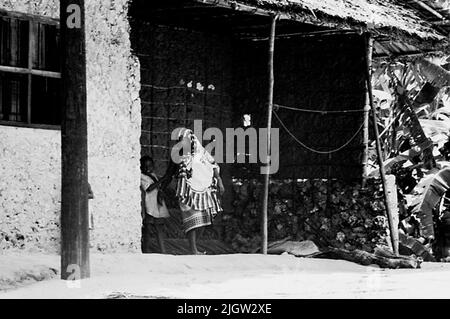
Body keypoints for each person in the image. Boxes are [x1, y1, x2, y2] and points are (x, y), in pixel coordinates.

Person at [161, 128, 225, 255]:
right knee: (191, 220)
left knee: (203, 221)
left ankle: (194, 247)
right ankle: (193, 249)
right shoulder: (177, 156)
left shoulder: (201, 153)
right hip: (186, 192)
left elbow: (213, 165)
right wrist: (161, 188)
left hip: (203, 192)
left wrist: (220, 182)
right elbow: (169, 174)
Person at [140, 156, 170, 254]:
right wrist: (162, 179)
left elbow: (158, 187)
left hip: (157, 205)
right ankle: (146, 250)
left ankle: (163, 250)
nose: (147, 168)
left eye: (150, 165)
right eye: (145, 166)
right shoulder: (142, 176)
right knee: (148, 229)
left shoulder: (153, 175)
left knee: (159, 228)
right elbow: (149, 188)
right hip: (149, 206)